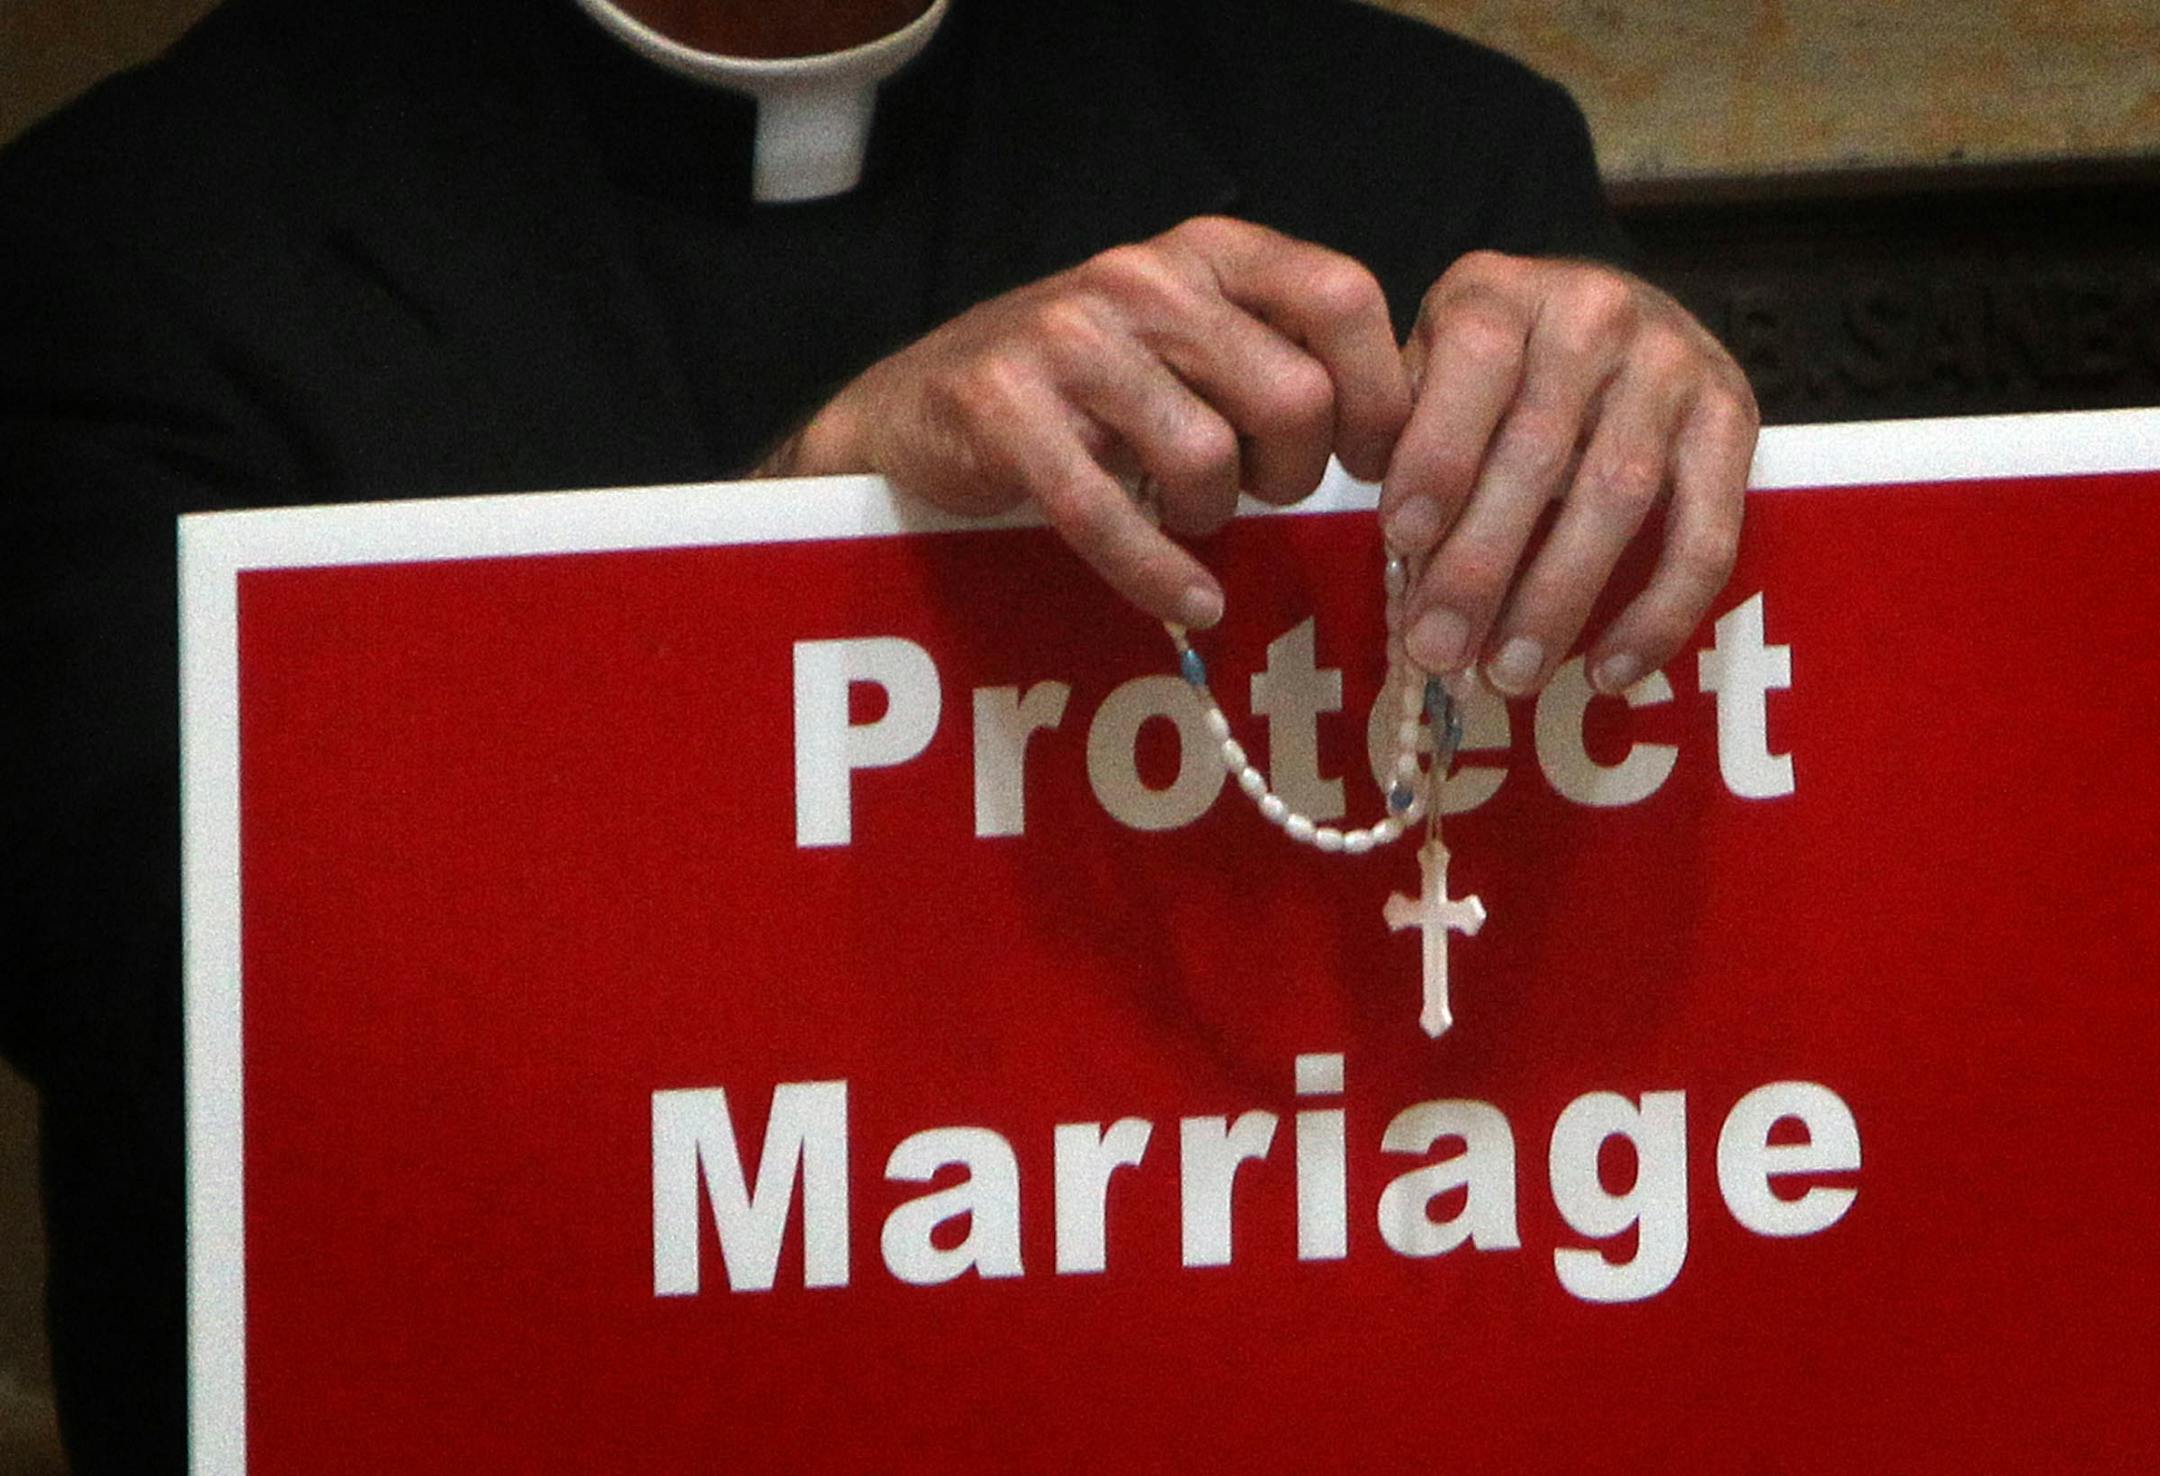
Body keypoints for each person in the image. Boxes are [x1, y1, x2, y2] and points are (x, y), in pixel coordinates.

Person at [0, 0, 1756, 1467]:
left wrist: (1651, 440)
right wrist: (807, 523)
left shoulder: (1424, 156)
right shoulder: (118, 236)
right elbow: (168, 1003)